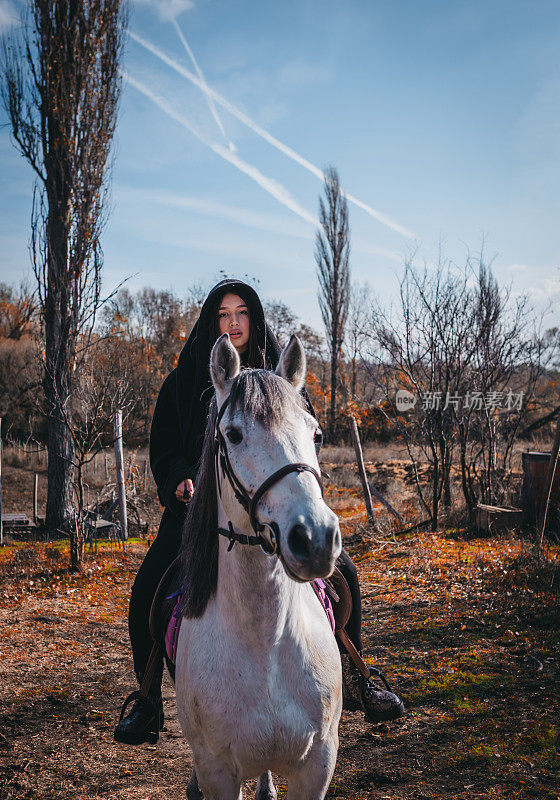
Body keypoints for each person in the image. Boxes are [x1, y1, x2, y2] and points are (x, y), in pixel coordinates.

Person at [114, 279, 404, 745]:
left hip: (273, 507)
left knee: (343, 572)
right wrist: (178, 481)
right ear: (213, 322)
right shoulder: (183, 381)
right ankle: (147, 697)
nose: (233, 322)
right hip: (200, 512)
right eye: (224, 314)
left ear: (255, 318)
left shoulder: (280, 378)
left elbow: (302, 441)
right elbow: (164, 450)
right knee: (148, 585)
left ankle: (359, 675)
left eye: (242, 312)